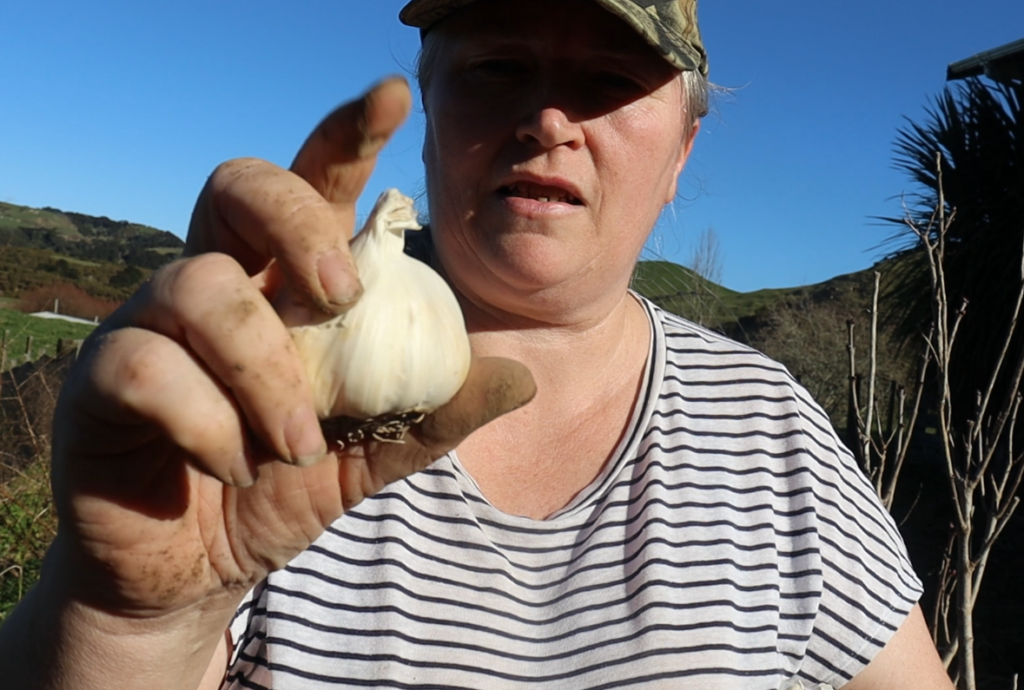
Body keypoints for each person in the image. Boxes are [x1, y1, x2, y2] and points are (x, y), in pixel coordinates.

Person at [0, 1, 955, 688]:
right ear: (431, 113)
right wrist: (129, 618)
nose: (547, 121)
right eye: (498, 65)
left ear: (681, 158)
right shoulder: (254, 398)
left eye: (609, 80)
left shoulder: (770, 427)